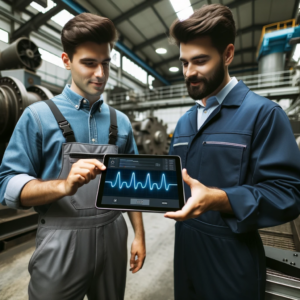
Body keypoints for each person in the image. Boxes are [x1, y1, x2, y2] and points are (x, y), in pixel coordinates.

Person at [0, 13, 146, 300]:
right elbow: (6, 183)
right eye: (89, 63)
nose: (100, 74)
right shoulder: (38, 117)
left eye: (105, 63)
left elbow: (131, 186)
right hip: (61, 240)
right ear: (67, 61)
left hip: (114, 235)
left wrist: (139, 235)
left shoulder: (122, 122)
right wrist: (62, 186)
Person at [164, 4, 300, 300]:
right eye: (185, 63)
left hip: (230, 259)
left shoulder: (263, 115)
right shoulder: (186, 121)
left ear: (227, 54)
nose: (189, 73)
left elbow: (288, 192)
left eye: (200, 61)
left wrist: (222, 199)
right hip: (185, 252)